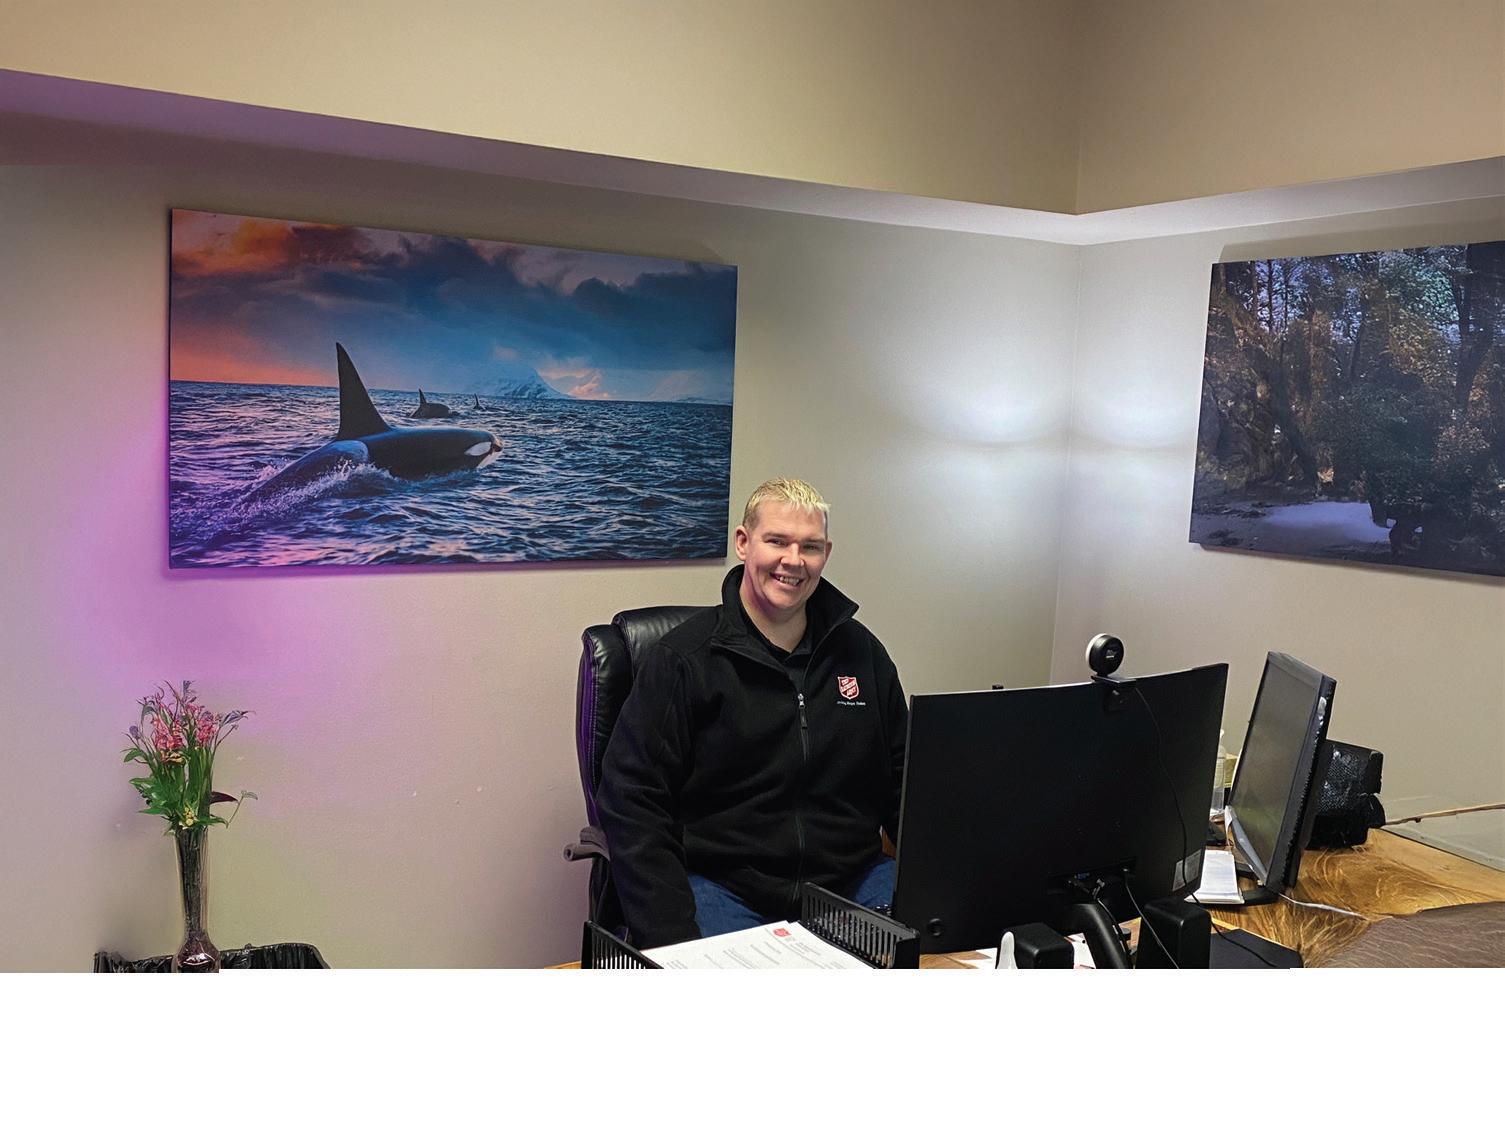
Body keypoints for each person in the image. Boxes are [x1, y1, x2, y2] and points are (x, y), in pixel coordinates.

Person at [596, 477, 908, 948]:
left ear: (826, 553)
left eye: (810, 546)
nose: (793, 561)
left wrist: (945, 886)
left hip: (850, 882)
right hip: (723, 886)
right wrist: (672, 941)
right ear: (744, 543)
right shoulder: (684, 659)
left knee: (944, 947)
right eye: (777, 541)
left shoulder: (861, 654)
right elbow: (632, 801)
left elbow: (904, 779)